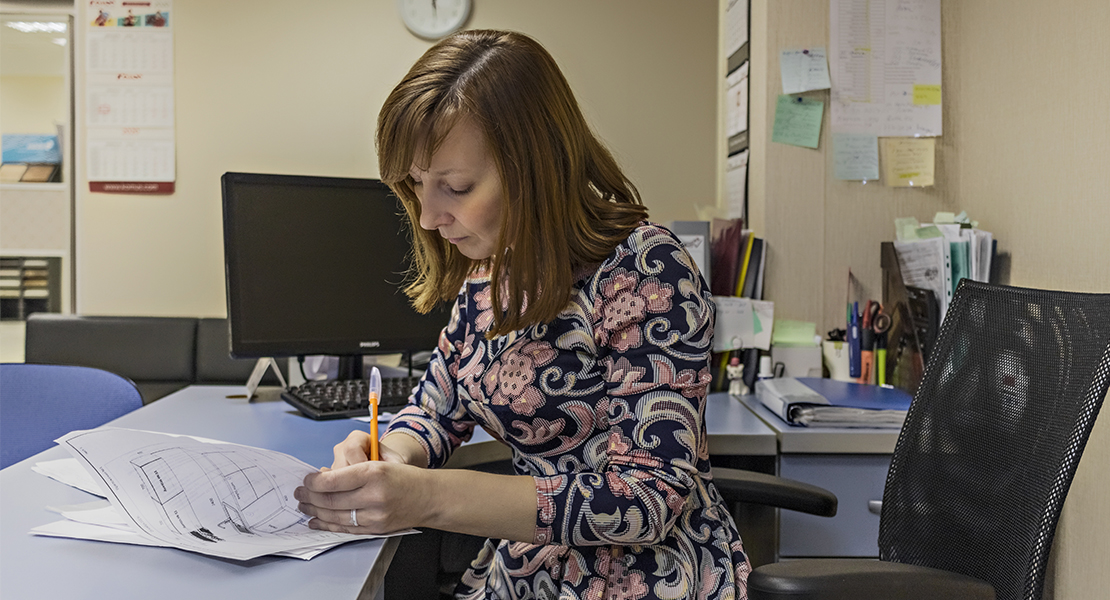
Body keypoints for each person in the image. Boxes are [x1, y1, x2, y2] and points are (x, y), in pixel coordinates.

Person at [295, 29, 751, 599]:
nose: (429, 215)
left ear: (535, 168)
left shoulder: (646, 271)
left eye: (455, 187)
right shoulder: (488, 273)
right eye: (415, 186)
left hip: (647, 578)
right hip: (532, 568)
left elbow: (646, 498)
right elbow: (437, 410)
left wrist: (425, 496)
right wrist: (384, 454)